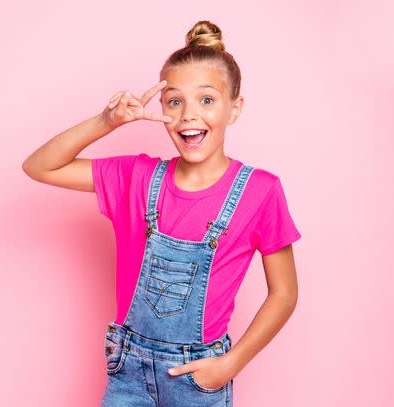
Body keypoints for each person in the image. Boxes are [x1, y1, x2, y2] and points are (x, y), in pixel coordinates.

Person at [22, 20, 301, 407]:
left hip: (198, 378)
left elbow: (284, 293)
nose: (188, 114)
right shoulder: (137, 177)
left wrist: (231, 363)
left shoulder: (260, 191)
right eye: (174, 101)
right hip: (128, 374)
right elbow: (40, 167)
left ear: (234, 108)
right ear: (162, 109)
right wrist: (107, 122)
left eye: (206, 100)